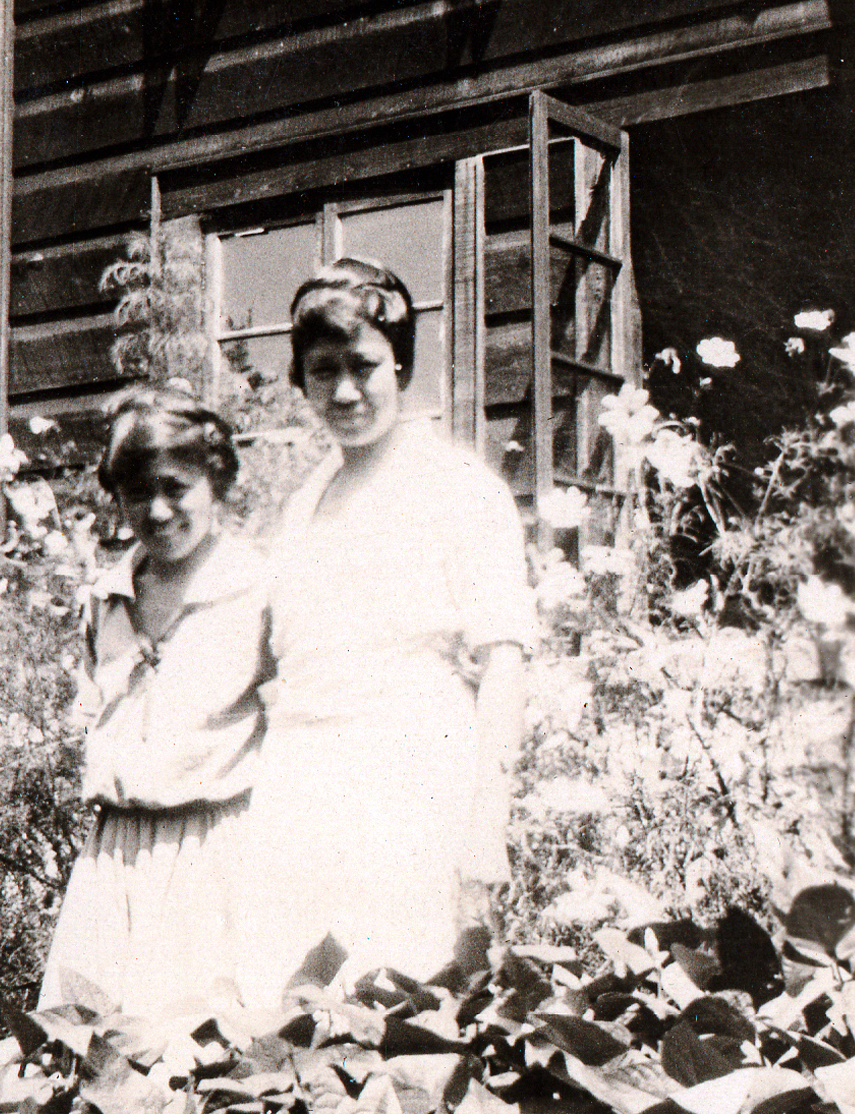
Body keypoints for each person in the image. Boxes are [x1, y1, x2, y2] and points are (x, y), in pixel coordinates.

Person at [234, 258, 529, 1008]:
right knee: (286, 1011)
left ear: (399, 361)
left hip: (412, 783)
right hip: (302, 791)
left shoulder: (459, 490)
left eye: (362, 366)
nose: (344, 392)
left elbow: (504, 662)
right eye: (322, 371)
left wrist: (486, 825)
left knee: (405, 1006)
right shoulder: (303, 506)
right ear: (300, 379)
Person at [38, 389, 268, 1020]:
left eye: (176, 488)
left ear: (214, 480)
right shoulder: (106, 598)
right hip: (114, 854)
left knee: (199, 1044)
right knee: (93, 1043)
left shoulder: (256, 589)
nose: (158, 510)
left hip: (215, 851)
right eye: (138, 493)